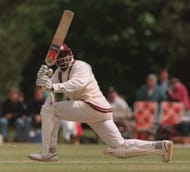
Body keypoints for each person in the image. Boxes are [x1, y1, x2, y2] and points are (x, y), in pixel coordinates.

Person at [28, 44, 173, 162]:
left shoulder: (81, 66)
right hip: (93, 111)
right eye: (60, 57)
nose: (63, 59)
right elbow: (47, 89)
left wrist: (53, 86)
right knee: (120, 148)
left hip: (91, 106)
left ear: (70, 54)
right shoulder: (58, 73)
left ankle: (49, 152)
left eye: (65, 55)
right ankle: (161, 147)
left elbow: (77, 83)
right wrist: (42, 80)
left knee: (49, 110)